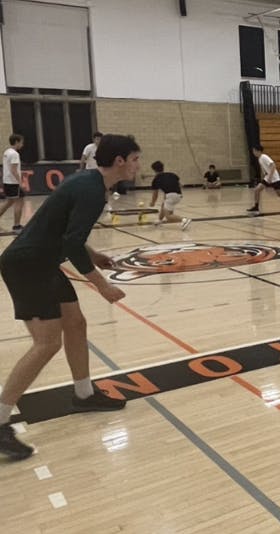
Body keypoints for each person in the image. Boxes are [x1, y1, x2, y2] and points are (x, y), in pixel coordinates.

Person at [0, 134, 140, 461]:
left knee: (75, 323)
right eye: (135, 159)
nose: (137, 165)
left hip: (43, 261)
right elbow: (71, 246)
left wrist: (96, 254)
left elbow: (67, 233)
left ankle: (84, 394)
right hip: (29, 265)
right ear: (119, 161)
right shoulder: (91, 191)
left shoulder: (90, 182)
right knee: (47, 343)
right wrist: (101, 284)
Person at [247, 145, 280, 213]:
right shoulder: (260, 159)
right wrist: (264, 178)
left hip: (274, 178)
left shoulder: (264, 157)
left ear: (258, 151)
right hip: (268, 177)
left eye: (254, 151)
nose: (253, 152)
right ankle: (256, 207)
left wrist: (270, 177)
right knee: (257, 190)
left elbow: (273, 165)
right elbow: (264, 170)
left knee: (279, 194)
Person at [150, 161, 191, 230]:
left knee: (168, 216)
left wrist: (153, 202)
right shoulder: (172, 174)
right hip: (179, 195)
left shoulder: (155, 180)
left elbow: (155, 194)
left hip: (171, 196)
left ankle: (184, 220)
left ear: (154, 170)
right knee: (164, 204)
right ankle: (159, 220)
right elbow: (180, 185)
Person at [0, 134, 26, 234]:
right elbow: (14, 170)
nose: (22, 145)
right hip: (13, 183)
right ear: (16, 142)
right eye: (21, 142)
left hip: (7, 182)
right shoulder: (15, 154)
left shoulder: (7, 152)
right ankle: (17, 226)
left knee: (9, 202)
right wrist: (20, 183)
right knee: (19, 202)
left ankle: (17, 225)